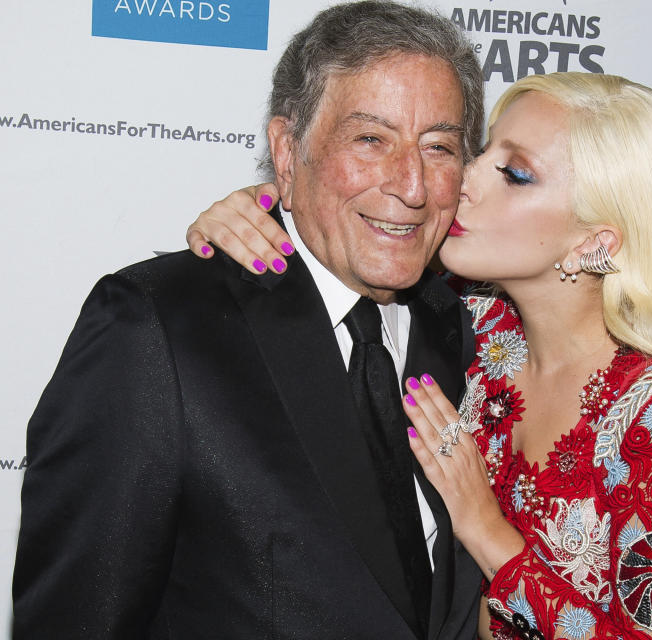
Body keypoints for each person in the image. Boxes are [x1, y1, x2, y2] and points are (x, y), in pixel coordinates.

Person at [186, 72, 652, 639]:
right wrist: (261, 208)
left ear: (594, 241)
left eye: (515, 174)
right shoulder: (471, 324)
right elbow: (355, 238)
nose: (460, 182)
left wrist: (484, 527)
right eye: (481, 154)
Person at [13, 2, 487, 638]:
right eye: (370, 140)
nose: (412, 185)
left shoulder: (460, 328)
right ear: (287, 153)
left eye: (439, 147)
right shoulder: (159, 327)